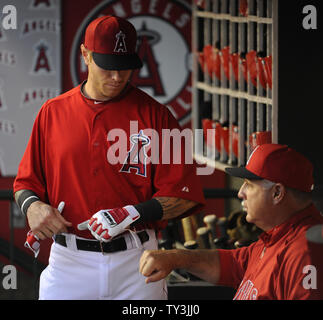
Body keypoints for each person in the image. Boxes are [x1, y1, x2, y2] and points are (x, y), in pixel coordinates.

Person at [13, 15, 205, 300]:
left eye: (125, 67)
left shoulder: (156, 116)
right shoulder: (52, 113)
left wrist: (132, 213)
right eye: (109, 67)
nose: (118, 77)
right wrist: (33, 207)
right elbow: (24, 184)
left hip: (137, 261)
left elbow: (185, 196)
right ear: (85, 55)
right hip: (70, 262)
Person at [140, 144, 323, 300]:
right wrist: (175, 258)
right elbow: (234, 264)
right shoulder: (277, 235)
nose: (240, 192)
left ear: (277, 193)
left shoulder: (306, 251)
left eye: (249, 185)